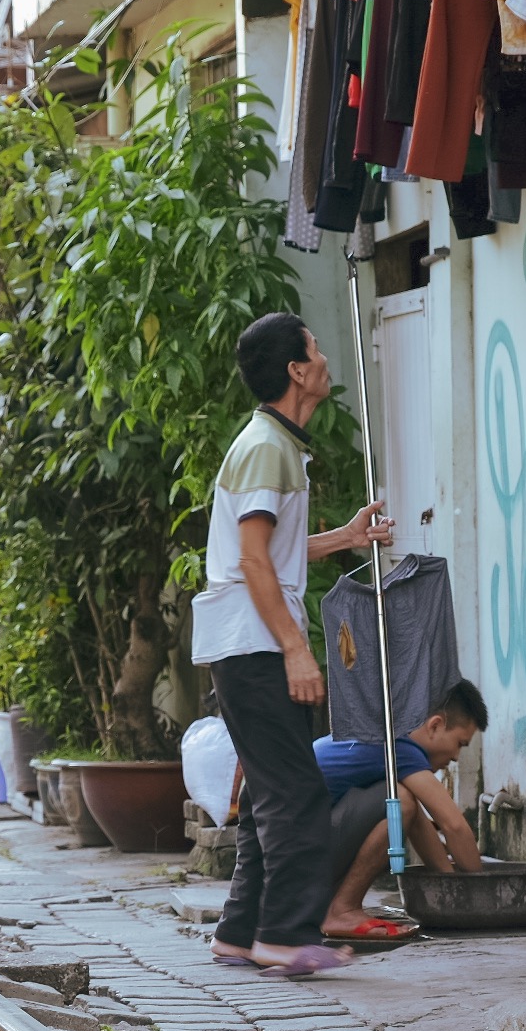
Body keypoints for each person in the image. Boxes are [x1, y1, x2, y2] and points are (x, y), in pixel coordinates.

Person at [194, 312, 393, 979]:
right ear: (296, 371)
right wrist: (296, 650)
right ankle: (284, 935)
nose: (325, 355)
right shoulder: (266, 448)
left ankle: (240, 932)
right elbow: (252, 563)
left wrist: (345, 538)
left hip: (249, 640)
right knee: (299, 797)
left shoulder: (275, 443)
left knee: (270, 796)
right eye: (316, 345)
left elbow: (270, 552)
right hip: (254, 645)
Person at [317, 680, 487, 939]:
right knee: (401, 801)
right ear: (435, 725)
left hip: (295, 854)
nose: (456, 757)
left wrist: (450, 885)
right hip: (297, 855)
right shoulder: (400, 747)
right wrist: (482, 892)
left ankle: (334, 905)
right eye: (460, 744)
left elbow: (418, 822)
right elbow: (454, 826)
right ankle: (342, 910)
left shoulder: (386, 737)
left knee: (403, 802)